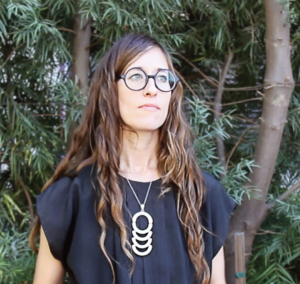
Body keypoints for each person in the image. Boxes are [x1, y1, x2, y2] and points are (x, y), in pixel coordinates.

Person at [30, 33, 235, 284]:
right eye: (137, 76)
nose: (152, 89)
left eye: (162, 78)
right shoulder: (69, 198)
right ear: (110, 90)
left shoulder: (202, 194)